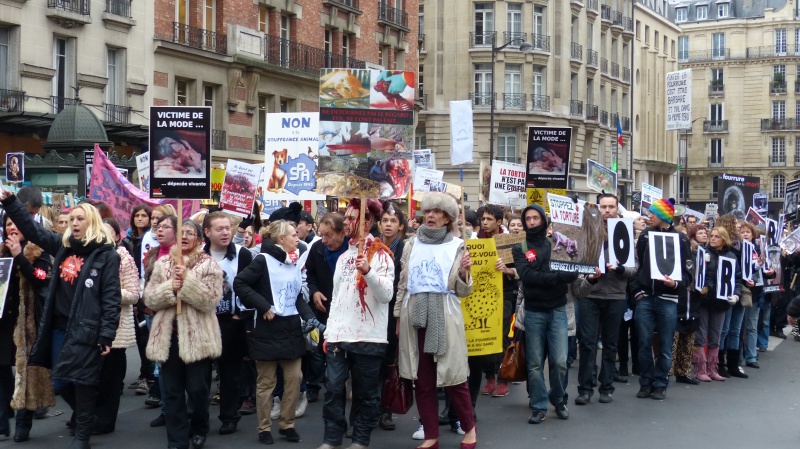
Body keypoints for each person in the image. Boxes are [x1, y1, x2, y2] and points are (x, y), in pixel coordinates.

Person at [0, 190, 121, 449]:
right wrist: (10, 202)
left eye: (80, 219)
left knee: (84, 382)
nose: (74, 223)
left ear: (92, 223)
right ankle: (87, 417)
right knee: (61, 380)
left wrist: (107, 334)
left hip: (86, 328)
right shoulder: (63, 248)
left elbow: (111, 298)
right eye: (72, 219)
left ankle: (82, 437)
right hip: (58, 326)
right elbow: (33, 231)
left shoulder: (106, 256)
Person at [395, 192, 477, 449]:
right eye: (428, 211)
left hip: (444, 315)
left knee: (454, 377)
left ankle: (469, 430)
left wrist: (465, 273)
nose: (431, 216)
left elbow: (463, 291)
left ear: (447, 218)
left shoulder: (457, 246)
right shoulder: (410, 245)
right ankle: (431, 435)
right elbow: (403, 284)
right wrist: (398, 316)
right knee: (423, 379)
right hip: (414, 317)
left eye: (437, 212)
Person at [234, 220, 321, 445]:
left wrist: (311, 318)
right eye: (293, 235)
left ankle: (287, 424)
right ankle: (264, 428)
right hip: (266, 329)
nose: (297, 238)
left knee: (294, 379)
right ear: (281, 239)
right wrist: (263, 306)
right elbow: (240, 283)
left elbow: (296, 297)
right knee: (266, 382)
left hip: (291, 328)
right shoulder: (263, 260)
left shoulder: (294, 261)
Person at [317, 199, 394, 449]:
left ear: (367, 221)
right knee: (333, 389)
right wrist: (329, 333)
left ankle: (360, 440)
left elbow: (386, 296)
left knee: (365, 394)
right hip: (340, 335)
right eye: (346, 217)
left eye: (352, 218)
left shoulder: (382, 255)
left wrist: (369, 271)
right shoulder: (342, 258)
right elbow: (337, 298)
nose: (347, 222)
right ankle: (332, 438)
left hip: (369, 337)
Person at [144, 219, 223, 449]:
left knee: (198, 389)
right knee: (172, 392)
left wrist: (187, 281)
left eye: (191, 233)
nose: (186, 236)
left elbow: (209, 300)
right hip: (169, 337)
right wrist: (171, 288)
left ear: (199, 239)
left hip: (198, 339)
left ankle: (199, 426)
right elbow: (149, 298)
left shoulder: (209, 265)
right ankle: (177, 440)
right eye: (182, 233)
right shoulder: (162, 264)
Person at [513, 203, 578, 424]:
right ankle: (539, 405)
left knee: (560, 361)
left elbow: (570, 274)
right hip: (533, 312)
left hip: (558, 310)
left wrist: (549, 276)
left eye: (535, 218)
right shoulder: (519, 247)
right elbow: (527, 277)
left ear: (543, 220)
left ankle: (558, 399)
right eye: (528, 219)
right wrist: (554, 276)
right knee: (534, 363)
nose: (531, 222)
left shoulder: (557, 244)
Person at [572, 194, 634, 405]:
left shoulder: (626, 230)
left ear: (617, 209)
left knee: (610, 344)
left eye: (611, 207)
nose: (607, 210)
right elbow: (578, 259)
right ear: (598, 209)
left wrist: (621, 268)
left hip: (615, 295)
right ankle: (585, 388)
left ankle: (606, 387)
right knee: (588, 344)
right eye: (603, 207)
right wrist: (587, 273)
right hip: (591, 293)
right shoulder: (587, 230)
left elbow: (633, 270)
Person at [629, 198, 692, 400]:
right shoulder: (646, 236)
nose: (649, 217)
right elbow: (637, 266)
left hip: (669, 299)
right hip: (646, 297)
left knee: (665, 344)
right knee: (644, 342)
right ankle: (645, 382)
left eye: (653, 213)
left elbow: (688, 272)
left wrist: (675, 285)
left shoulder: (681, 239)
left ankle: (660, 382)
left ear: (665, 215)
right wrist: (638, 292)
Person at [0, 215, 54, 443]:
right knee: (2, 371)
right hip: (4, 321)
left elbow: (40, 279)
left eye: (16, 223)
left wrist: (18, 257)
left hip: (27, 321)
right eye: (8, 224)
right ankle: (3, 421)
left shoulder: (38, 252)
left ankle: (23, 423)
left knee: (26, 373)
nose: (12, 227)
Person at [202, 211, 253, 436]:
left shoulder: (243, 254)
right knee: (201, 372)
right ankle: (198, 419)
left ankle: (230, 416)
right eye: (219, 229)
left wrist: (242, 315)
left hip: (231, 321)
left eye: (228, 228)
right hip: (203, 320)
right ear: (207, 232)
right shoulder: (198, 256)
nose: (225, 233)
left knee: (230, 372)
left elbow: (253, 286)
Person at [92, 218, 141, 434]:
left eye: (107, 232)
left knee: (110, 379)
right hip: (91, 327)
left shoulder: (123, 257)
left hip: (116, 329)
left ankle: (104, 421)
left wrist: (106, 293)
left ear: (116, 236)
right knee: (91, 377)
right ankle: (87, 416)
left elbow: (133, 293)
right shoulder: (90, 256)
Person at [306, 213, 350, 405]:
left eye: (328, 235)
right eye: (321, 234)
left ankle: (342, 384)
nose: (324, 240)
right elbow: (310, 275)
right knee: (319, 348)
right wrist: (314, 292)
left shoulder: (352, 249)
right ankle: (314, 385)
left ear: (342, 233)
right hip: (323, 307)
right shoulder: (317, 249)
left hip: (347, 309)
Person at [476, 204, 518, 398]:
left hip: (505, 294)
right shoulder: (476, 242)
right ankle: (489, 377)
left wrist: (508, 269)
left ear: (499, 222)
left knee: (501, 336)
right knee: (483, 335)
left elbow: (519, 270)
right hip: (482, 295)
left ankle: (503, 378)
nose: (484, 222)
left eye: (489, 219)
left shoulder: (509, 242)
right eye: (483, 219)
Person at [693, 227, 741, 382]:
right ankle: (700, 369)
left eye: (716, 236)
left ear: (724, 239)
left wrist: (736, 295)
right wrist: (700, 262)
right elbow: (692, 274)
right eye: (711, 236)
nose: (712, 238)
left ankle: (712, 369)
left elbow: (737, 279)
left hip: (721, 302)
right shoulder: (702, 253)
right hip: (704, 300)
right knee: (701, 336)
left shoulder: (731, 256)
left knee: (716, 336)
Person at [377, 202, 406, 431]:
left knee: (388, 362)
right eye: (385, 220)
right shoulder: (372, 247)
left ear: (401, 227)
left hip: (393, 311)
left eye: (393, 221)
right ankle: (368, 408)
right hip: (373, 310)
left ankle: (385, 409)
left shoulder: (404, 250)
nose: (388, 224)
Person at [672, 225, 707, 385]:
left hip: (692, 303)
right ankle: (666, 372)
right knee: (672, 341)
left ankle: (683, 372)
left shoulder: (695, 256)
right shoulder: (671, 256)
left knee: (688, 341)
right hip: (676, 303)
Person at [124, 204, 153, 394]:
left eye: (144, 215)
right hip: (135, 290)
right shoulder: (129, 240)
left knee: (146, 335)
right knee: (140, 336)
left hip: (148, 289)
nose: (140, 219)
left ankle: (149, 375)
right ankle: (145, 373)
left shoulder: (151, 240)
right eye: (137, 215)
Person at [717, 214, 747, 378]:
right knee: (724, 329)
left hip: (741, 288)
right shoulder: (723, 248)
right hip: (727, 289)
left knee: (735, 329)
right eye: (735, 223)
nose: (738, 225)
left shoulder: (743, 245)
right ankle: (720, 364)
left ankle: (734, 364)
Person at [740, 222, 774, 369]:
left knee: (752, 326)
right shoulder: (737, 248)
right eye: (743, 232)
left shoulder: (759, 248)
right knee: (739, 328)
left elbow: (767, 270)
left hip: (755, 293)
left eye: (748, 232)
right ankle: (738, 356)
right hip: (741, 291)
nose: (746, 234)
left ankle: (751, 356)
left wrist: (770, 272)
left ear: (753, 235)